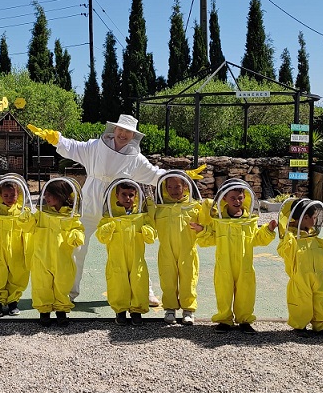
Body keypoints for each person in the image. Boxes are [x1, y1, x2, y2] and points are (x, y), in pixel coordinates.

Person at [27, 114, 205, 305]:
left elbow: (155, 175)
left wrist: (181, 175)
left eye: (128, 132)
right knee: (76, 247)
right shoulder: (95, 146)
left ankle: (144, 292)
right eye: (121, 130)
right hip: (90, 203)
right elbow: (73, 147)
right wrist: (56, 138)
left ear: (133, 135)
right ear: (114, 130)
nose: (123, 134)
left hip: (118, 207)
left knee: (132, 250)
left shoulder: (136, 158)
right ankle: (68, 292)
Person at [192, 179, 276, 333]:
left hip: (245, 265)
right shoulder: (219, 221)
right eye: (233, 198)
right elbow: (210, 239)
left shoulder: (249, 220)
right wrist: (201, 231)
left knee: (246, 292)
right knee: (223, 292)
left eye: (240, 198)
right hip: (224, 265)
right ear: (224, 198)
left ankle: (244, 320)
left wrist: (268, 230)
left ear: (245, 197)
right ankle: (224, 320)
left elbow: (257, 238)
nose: (237, 201)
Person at [19, 178, 84, 327]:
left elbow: (78, 229)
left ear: (61, 195)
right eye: (45, 194)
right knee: (42, 285)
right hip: (41, 258)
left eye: (50, 194)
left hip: (63, 259)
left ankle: (61, 311)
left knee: (63, 285)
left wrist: (76, 236)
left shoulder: (71, 216)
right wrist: (25, 218)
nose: (46, 197)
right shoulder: (41, 214)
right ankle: (44, 311)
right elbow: (28, 227)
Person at [96, 180, 156, 326]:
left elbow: (151, 236)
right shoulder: (110, 215)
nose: (127, 198)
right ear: (116, 195)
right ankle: (120, 311)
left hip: (137, 257)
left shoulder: (141, 215)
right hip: (117, 258)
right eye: (124, 194)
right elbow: (101, 237)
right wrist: (108, 227)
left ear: (136, 196)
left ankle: (137, 311)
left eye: (131, 195)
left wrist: (147, 231)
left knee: (139, 282)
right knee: (118, 283)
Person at [276, 198, 323, 337]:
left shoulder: (312, 237)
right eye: (314, 218)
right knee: (301, 301)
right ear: (304, 217)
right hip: (300, 277)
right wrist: (287, 237)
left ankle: (322, 325)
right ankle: (300, 325)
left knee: (322, 299)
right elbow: (283, 250)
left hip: (318, 276)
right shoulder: (291, 238)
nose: (315, 221)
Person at [148, 171, 202, 326]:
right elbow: (149, 223)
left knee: (188, 280)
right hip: (166, 251)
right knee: (167, 280)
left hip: (188, 251)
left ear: (185, 187)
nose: (173, 190)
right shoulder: (160, 208)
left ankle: (188, 310)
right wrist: (149, 207)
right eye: (169, 187)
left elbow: (206, 227)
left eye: (177, 186)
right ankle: (170, 309)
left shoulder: (194, 207)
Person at [0, 176, 31, 317]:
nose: (9, 198)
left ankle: (13, 302)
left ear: (19, 195)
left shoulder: (23, 212)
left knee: (17, 276)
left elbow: (28, 233)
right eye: (6, 195)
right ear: (0, 196)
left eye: (12, 195)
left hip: (17, 252)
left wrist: (27, 252)